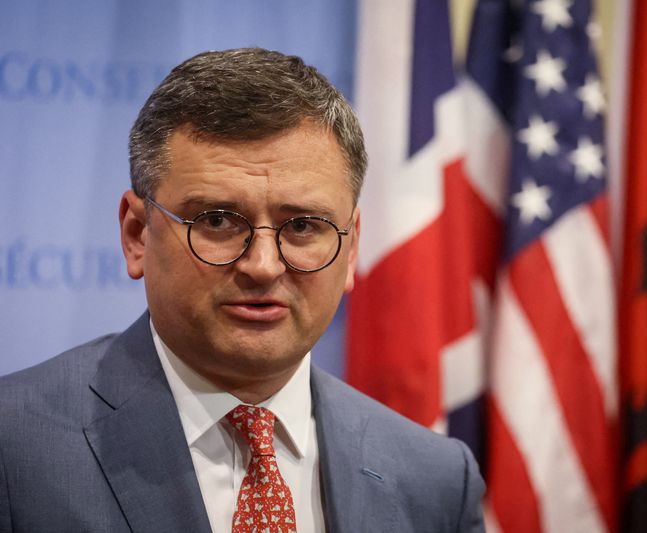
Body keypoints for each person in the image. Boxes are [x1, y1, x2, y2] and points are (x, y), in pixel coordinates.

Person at [0, 48, 484, 533]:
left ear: (352, 248)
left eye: (303, 226)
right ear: (136, 235)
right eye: (217, 221)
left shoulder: (435, 481)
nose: (263, 266)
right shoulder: (13, 447)